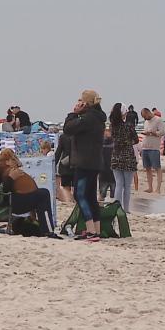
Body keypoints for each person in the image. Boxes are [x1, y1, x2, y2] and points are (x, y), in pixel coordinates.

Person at [63, 90, 106, 239]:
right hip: (94, 162)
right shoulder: (98, 117)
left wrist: (73, 113)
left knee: (80, 195)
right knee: (90, 196)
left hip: (85, 162)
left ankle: (91, 231)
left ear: (85, 103)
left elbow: (67, 129)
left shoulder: (88, 118)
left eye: (81, 100)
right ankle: (97, 230)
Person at [0, 149, 58, 238]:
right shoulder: (11, 173)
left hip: (16, 199)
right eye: (13, 159)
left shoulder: (4, 172)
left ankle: (44, 228)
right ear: (7, 162)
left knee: (41, 195)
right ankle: (48, 230)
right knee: (44, 194)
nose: (16, 160)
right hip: (17, 201)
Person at [109, 103, 138, 212]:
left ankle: (117, 208)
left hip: (116, 156)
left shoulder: (112, 126)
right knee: (127, 186)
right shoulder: (129, 125)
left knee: (118, 184)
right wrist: (128, 141)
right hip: (128, 157)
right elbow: (136, 139)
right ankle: (126, 209)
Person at [140, 107, 165, 194]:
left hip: (154, 148)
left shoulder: (158, 120)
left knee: (157, 168)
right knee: (147, 168)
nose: (144, 118)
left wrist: (152, 133)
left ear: (148, 113)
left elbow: (162, 132)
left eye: (144, 116)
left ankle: (158, 188)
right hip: (145, 147)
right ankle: (150, 187)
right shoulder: (146, 122)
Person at [53, 133, 73, 203]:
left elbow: (58, 152)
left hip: (65, 165)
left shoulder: (63, 136)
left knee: (65, 186)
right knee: (76, 186)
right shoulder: (80, 135)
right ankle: (75, 202)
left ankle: (68, 201)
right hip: (77, 165)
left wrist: (53, 165)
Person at [98, 128, 115, 202]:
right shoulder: (100, 142)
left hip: (113, 168)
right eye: (105, 131)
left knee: (114, 189)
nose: (106, 133)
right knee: (102, 190)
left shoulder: (115, 142)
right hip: (103, 169)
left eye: (108, 131)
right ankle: (101, 197)